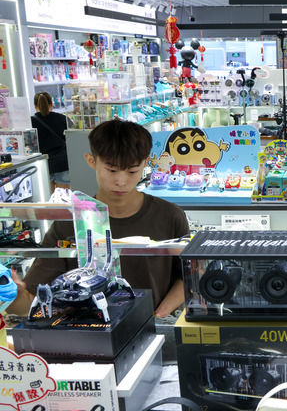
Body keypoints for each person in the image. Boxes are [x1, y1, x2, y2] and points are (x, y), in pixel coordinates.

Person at [8, 120, 190, 317]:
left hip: (154, 327)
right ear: (91, 161)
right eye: (111, 170)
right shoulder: (69, 224)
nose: (121, 181)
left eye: (132, 171)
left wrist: (159, 315)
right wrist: (11, 296)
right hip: (89, 332)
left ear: (145, 164)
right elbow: (29, 303)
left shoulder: (170, 216)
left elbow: (188, 277)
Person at [31, 92, 70, 190]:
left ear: (35, 105)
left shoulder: (30, 122)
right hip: (63, 162)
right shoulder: (62, 118)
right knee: (64, 196)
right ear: (51, 104)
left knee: (48, 196)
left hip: (43, 163)